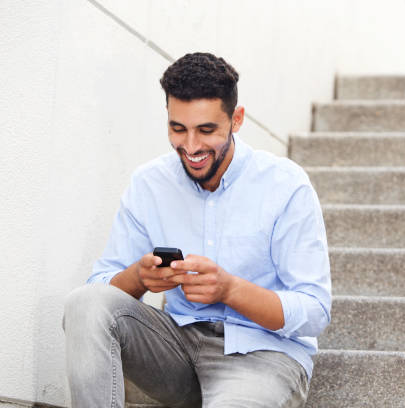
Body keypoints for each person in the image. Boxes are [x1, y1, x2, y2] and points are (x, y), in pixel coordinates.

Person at [63, 52, 331, 408]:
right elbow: (101, 287)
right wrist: (139, 277)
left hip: (262, 355)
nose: (190, 147)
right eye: (178, 129)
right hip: (176, 350)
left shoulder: (285, 185)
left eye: (206, 130)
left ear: (236, 120)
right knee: (85, 303)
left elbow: (315, 310)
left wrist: (230, 289)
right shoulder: (149, 184)